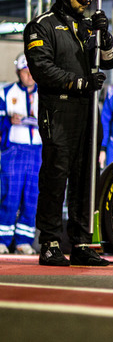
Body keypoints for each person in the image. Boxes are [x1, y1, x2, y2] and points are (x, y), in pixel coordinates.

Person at [24, 0, 113, 267]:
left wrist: (105, 36)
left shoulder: (88, 25)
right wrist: (80, 82)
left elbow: (109, 62)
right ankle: (50, 242)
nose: (87, 0)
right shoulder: (41, 26)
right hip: (59, 109)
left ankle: (81, 242)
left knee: (85, 178)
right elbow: (41, 69)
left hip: (89, 112)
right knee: (56, 175)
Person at [0, 54, 42, 255]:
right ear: (19, 72)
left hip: (38, 152)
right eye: (25, 72)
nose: (30, 76)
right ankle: (2, 239)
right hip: (14, 151)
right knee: (9, 195)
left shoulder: (45, 94)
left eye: (33, 71)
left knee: (32, 197)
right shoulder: (6, 92)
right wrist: (8, 121)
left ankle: (23, 241)